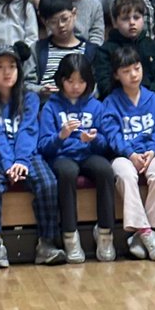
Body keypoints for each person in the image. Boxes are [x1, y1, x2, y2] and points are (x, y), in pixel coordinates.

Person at [0, 43, 66, 270]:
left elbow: (28, 132)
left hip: (26, 154)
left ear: (19, 70)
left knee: (47, 182)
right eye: (0, 67)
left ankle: (46, 244)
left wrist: (20, 161)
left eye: (12, 66)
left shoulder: (30, 99)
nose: (7, 72)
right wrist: (9, 163)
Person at [38, 54, 116, 264]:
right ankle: (70, 235)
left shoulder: (96, 106)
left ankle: (106, 232)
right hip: (61, 156)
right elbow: (44, 147)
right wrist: (60, 136)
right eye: (70, 81)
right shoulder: (51, 107)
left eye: (81, 81)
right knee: (67, 172)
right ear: (61, 80)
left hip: (88, 153)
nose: (75, 86)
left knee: (106, 170)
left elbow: (105, 144)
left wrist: (92, 139)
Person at [100, 44, 155, 261]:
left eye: (137, 68)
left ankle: (147, 234)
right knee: (125, 174)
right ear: (116, 75)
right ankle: (146, 232)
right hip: (123, 156)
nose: (133, 74)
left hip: (149, 152)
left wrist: (152, 151)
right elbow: (112, 135)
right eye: (126, 71)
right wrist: (130, 154)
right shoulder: (110, 102)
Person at [33, 0, 96, 98]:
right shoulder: (37, 49)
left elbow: (95, 87)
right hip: (47, 104)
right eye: (53, 22)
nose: (61, 25)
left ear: (74, 14)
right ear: (44, 22)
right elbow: (26, 84)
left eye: (65, 19)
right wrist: (41, 90)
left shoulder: (90, 50)